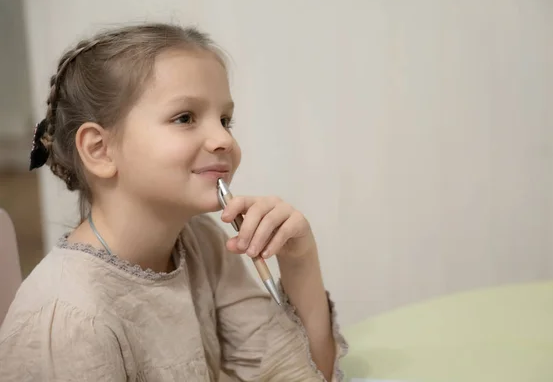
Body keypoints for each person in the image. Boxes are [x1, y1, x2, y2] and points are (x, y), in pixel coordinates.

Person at [0, 23, 347, 381]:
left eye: (225, 120)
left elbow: (299, 376)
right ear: (99, 150)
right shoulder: (71, 319)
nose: (223, 140)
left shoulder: (203, 244)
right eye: (185, 118)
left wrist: (300, 261)